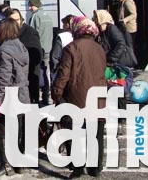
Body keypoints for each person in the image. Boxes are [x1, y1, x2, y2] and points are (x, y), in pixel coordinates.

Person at [51, 16, 107, 177]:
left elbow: (63, 75)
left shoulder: (71, 48)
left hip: (76, 95)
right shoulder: (99, 48)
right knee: (96, 132)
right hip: (98, 96)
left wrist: (57, 93)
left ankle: (77, 167)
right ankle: (95, 167)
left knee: (72, 130)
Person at [0, 18, 30, 177]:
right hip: (22, 94)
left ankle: (6, 164)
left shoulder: (4, 51)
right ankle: (17, 162)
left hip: (8, 96)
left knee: (0, 129)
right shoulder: (21, 47)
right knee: (16, 130)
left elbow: (2, 79)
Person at [8, 9, 42, 104]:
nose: (15, 23)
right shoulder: (9, 33)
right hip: (14, 79)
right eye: (12, 20)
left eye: (17, 20)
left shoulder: (30, 32)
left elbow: (36, 56)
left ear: (21, 19)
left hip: (28, 77)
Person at [28, 0, 53, 106]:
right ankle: (46, 97)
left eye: (31, 5)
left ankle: (35, 98)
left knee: (36, 73)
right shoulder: (48, 16)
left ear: (36, 5)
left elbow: (31, 34)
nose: (29, 8)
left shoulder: (35, 16)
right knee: (46, 72)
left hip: (38, 49)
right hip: (48, 48)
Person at [50, 14, 75, 79]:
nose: (62, 26)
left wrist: (55, 70)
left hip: (63, 70)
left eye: (64, 24)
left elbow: (55, 56)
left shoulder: (61, 36)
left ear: (68, 24)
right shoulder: (79, 35)